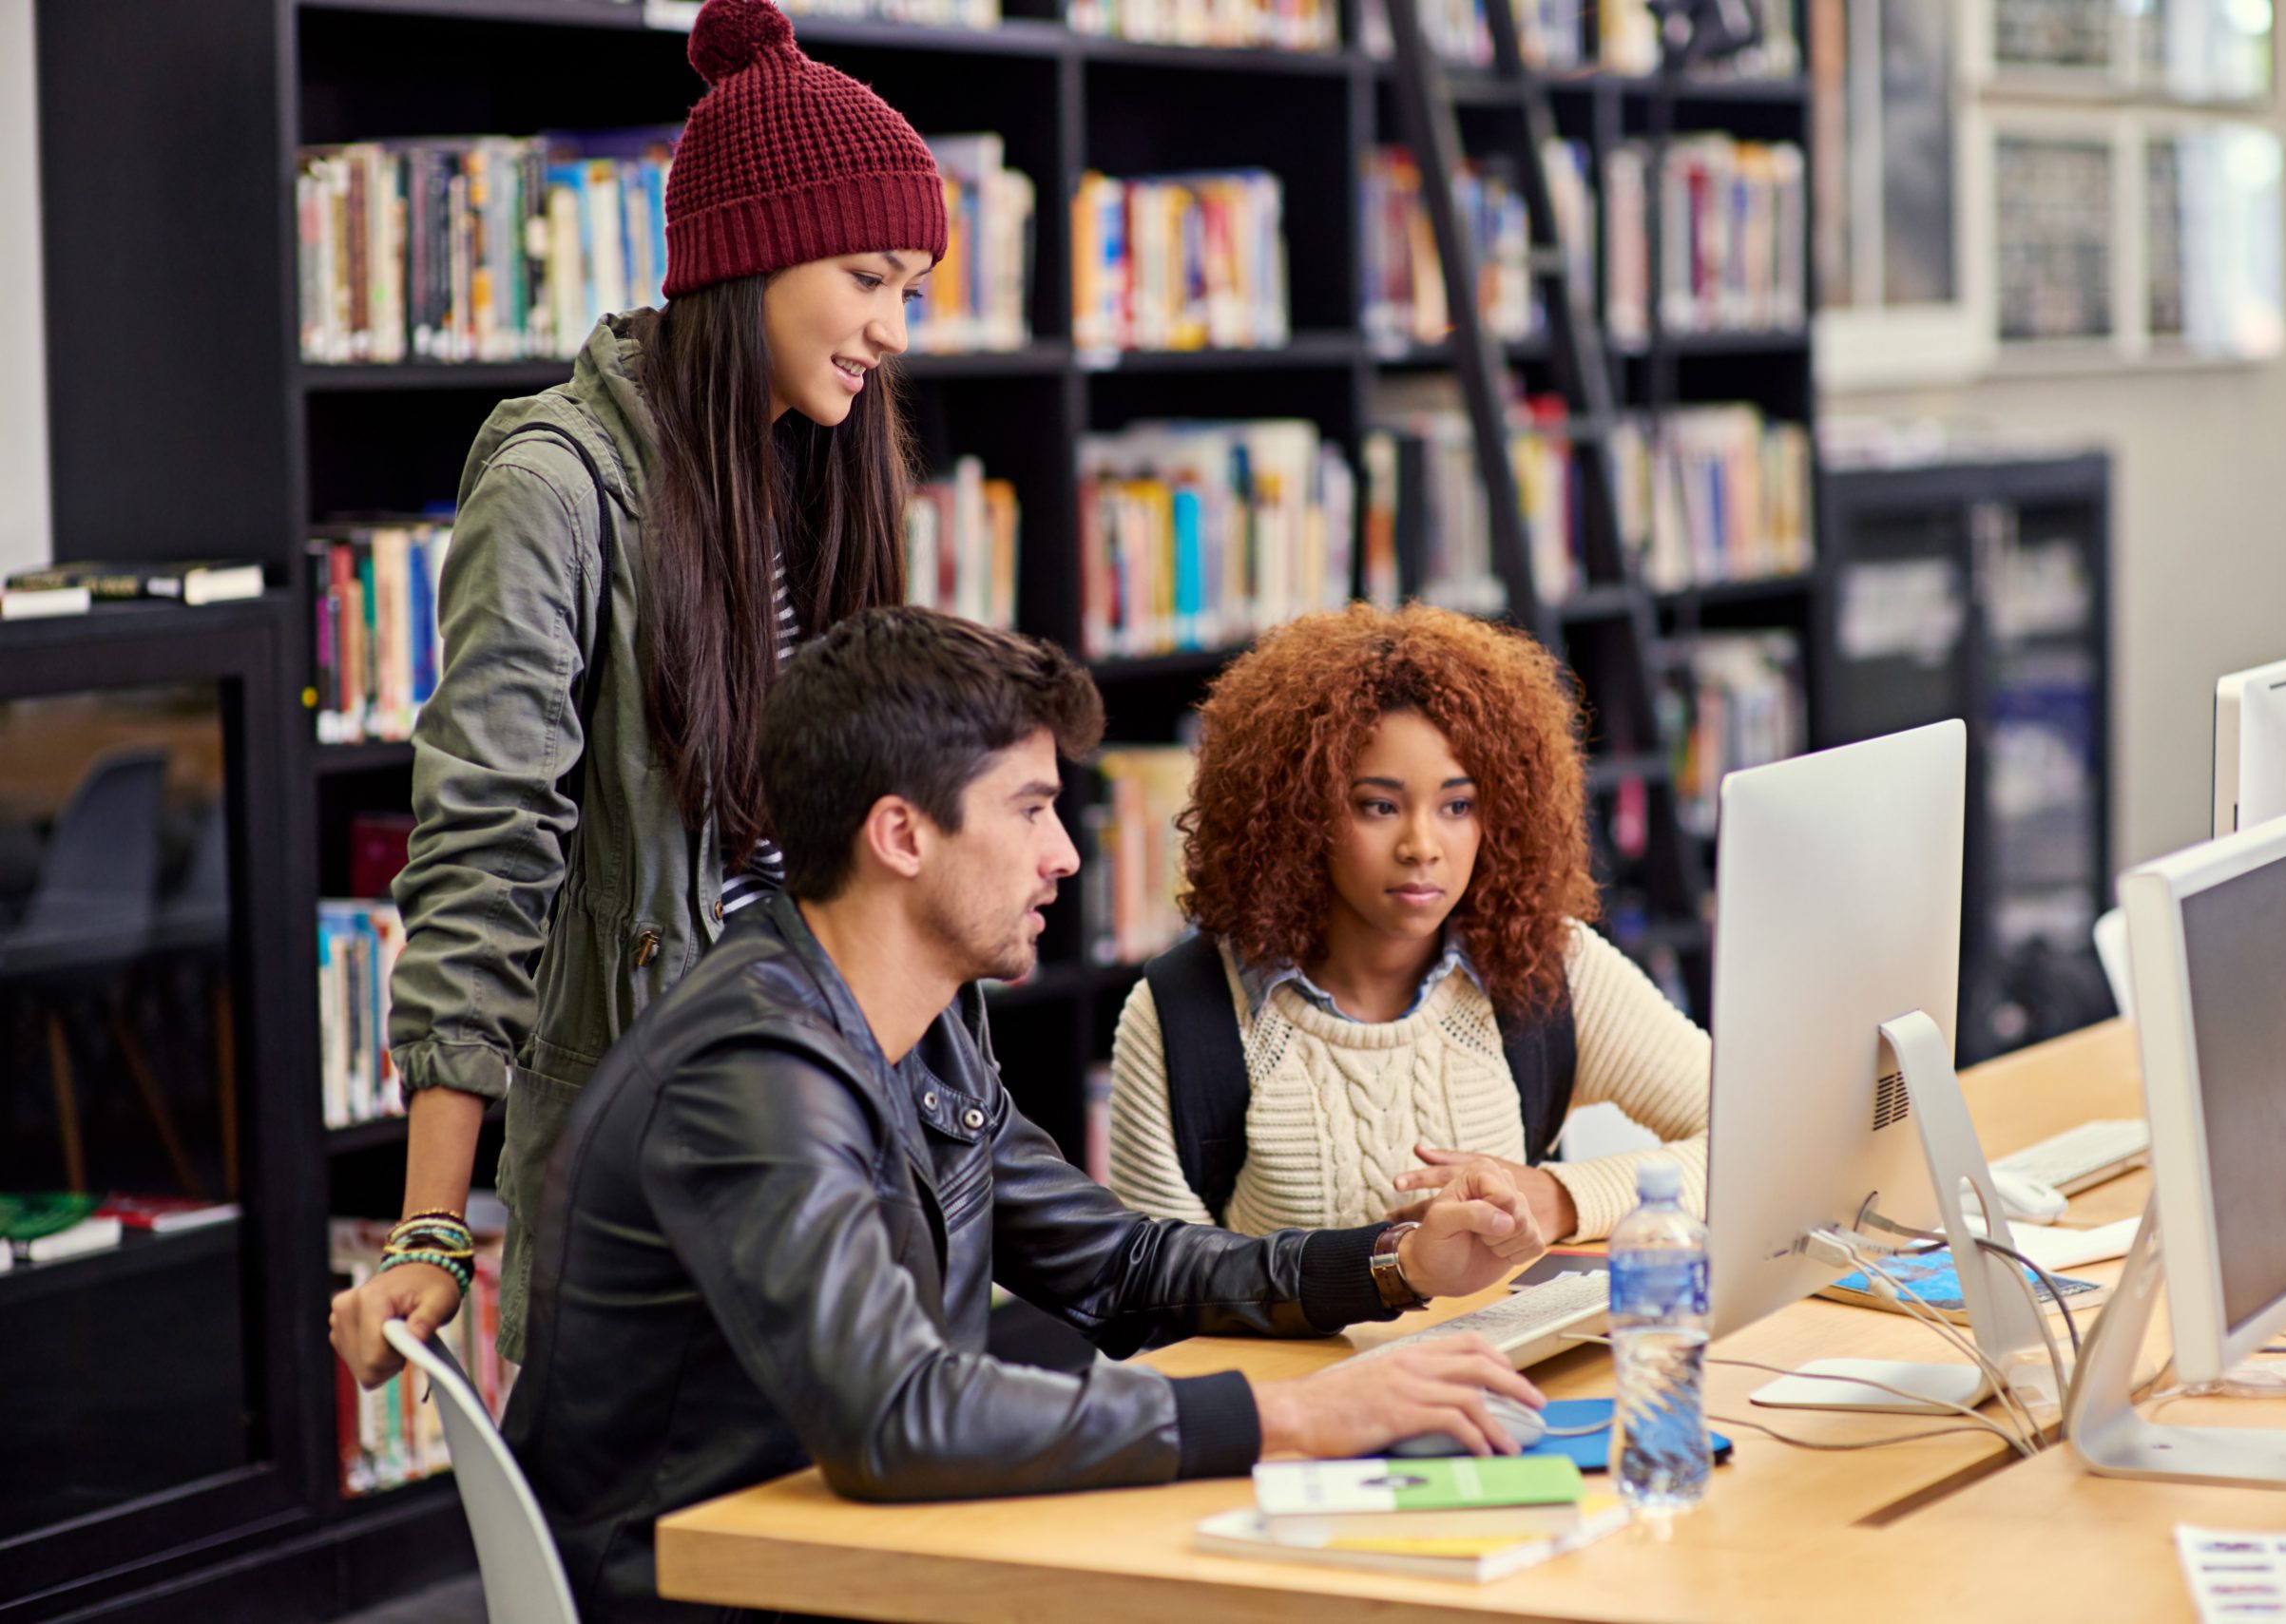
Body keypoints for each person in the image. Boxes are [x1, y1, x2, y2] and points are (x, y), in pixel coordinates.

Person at [503, 607, 1549, 1623]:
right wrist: (1294, 1413)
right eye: (1029, 808)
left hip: (867, 1554)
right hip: (728, 1590)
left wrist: (1393, 1263)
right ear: (902, 834)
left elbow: (1119, 1266)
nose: (1066, 854)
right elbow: (894, 1413)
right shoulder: (750, 1065)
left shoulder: (927, 1017)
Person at [327, 0, 953, 1389]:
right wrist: (437, 1220)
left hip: (851, 1122)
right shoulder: (558, 485)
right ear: (754, 256)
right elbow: (486, 845)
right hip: (659, 1149)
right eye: (868, 276)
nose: (892, 328)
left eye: (909, 287)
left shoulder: (828, 469)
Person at [1108, 601, 1710, 1245]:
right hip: (1307, 1354)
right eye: (1379, 805)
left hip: (1507, 1350)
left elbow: (1760, 1131)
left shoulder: (1545, 965)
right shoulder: (1183, 1017)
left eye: (1458, 805)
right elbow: (1154, 1293)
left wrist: (1564, 1198)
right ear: (1299, 815)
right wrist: (1377, 1281)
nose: (1422, 845)